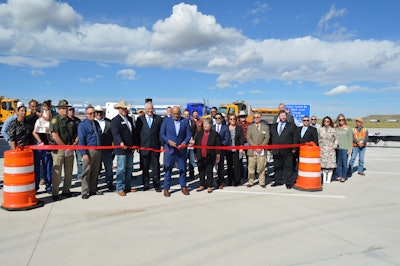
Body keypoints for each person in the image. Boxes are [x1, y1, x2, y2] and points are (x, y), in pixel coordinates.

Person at [160, 105, 191, 197]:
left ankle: (183, 186)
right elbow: (162, 134)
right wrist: (168, 141)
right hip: (170, 149)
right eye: (174, 114)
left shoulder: (185, 121)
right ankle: (166, 188)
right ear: (171, 113)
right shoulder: (166, 121)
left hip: (181, 149)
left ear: (180, 113)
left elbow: (189, 134)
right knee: (168, 168)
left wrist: (185, 142)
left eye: (177, 114)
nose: (176, 115)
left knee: (182, 168)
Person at [50, 99, 78, 201]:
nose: (65, 110)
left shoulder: (71, 121)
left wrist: (75, 143)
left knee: (69, 171)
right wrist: (64, 146)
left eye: (66, 108)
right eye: (62, 108)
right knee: (57, 172)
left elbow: (76, 134)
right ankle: (55, 193)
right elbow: (54, 135)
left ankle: (66, 190)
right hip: (59, 150)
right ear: (59, 109)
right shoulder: (55, 120)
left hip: (70, 149)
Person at [111, 100, 137, 196]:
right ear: (119, 109)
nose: (124, 110)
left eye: (125, 108)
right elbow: (116, 133)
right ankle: (120, 188)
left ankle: (128, 186)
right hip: (121, 149)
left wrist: (134, 144)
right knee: (121, 169)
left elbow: (132, 132)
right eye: (122, 108)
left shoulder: (129, 119)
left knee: (129, 168)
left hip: (130, 148)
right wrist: (121, 143)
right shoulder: (115, 120)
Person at [136, 101, 163, 192]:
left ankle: (157, 184)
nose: (150, 110)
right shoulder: (140, 119)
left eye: (151, 108)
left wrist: (162, 144)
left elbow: (161, 133)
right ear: (145, 110)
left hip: (155, 147)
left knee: (155, 167)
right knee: (145, 167)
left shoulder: (158, 119)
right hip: (144, 147)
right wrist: (137, 145)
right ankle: (146, 184)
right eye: (148, 109)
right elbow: (137, 133)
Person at [78, 106, 103, 199]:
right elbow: (81, 140)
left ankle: (93, 189)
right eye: (90, 113)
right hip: (89, 151)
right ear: (86, 114)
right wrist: (84, 153)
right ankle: (85, 191)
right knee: (86, 172)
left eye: (94, 113)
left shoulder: (96, 123)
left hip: (98, 150)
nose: (92, 115)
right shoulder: (82, 125)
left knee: (95, 171)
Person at [270, 110, 299, 189]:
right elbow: (271, 137)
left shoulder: (291, 126)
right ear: (279, 116)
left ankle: (288, 182)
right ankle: (278, 181)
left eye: (284, 115)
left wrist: (294, 148)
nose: (283, 117)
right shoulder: (273, 126)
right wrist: (270, 147)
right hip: (276, 150)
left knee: (288, 167)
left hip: (288, 151)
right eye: (281, 115)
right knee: (277, 166)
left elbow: (295, 137)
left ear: (286, 116)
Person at [194, 118, 221, 193]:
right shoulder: (199, 133)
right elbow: (196, 144)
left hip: (210, 155)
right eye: (204, 124)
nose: (205, 125)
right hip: (200, 155)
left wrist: (218, 155)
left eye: (207, 124)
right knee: (201, 170)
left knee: (209, 171)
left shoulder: (215, 134)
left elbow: (218, 146)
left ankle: (209, 186)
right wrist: (195, 153)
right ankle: (202, 185)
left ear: (211, 125)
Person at [32, 102, 53, 193]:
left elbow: (47, 132)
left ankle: (48, 186)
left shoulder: (47, 115)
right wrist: (40, 142)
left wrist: (48, 142)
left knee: (47, 167)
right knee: (36, 168)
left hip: (46, 146)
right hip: (38, 146)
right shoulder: (36, 120)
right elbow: (34, 132)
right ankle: (36, 186)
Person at [246, 112, 270, 188]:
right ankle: (250, 181)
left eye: (257, 117)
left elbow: (267, 138)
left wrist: (261, 147)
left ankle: (262, 182)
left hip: (262, 150)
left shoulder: (265, 127)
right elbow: (248, 137)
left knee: (262, 166)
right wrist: (255, 147)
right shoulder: (250, 127)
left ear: (260, 118)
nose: (256, 119)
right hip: (252, 150)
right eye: (254, 117)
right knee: (251, 167)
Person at [94, 104, 114, 191]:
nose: (98, 114)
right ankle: (94, 185)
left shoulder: (109, 122)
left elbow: (113, 136)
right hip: (95, 150)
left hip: (107, 149)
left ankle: (109, 183)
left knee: (109, 168)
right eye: (97, 112)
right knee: (95, 169)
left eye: (100, 112)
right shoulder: (92, 123)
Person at [225, 114, 244, 186]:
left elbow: (241, 139)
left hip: (236, 150)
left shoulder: (239, 128)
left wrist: (241, 148)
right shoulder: (226, 128)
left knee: (236, 166)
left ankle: (237, 181)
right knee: (229, 166)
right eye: (231, 119)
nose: (232, 120)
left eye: (234, 119)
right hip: (228, 150)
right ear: (228, 120)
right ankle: (230, 181)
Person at [318, 116, 338, 184]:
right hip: (323, 149)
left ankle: (329, 178)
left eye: (328, 121)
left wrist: (334, 146)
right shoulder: (320, 129)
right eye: (325, 121)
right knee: (323, 165)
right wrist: (318, 146)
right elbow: (318, 138)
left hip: (330, 149)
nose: (326, 122)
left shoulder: (333, 130)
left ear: (330, 122)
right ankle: (324, 178)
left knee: (330, 165)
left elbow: (336, 138)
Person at [212, 112, 230, 189]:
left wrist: (219, 145)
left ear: (222, 119)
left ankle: (220, 182)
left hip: (221, 150)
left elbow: (227, 139)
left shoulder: (225, 127)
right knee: (211, 166)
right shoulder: (212, 127)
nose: (218, 119)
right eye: (216, 118)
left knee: (220, 166)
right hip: (212, 150)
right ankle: (210, 182)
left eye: (219, 118)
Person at [334, 114, 353, 182]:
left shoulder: (348, 128)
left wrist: (350, 148)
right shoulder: (336, 128)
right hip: (338, 148)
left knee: (344, 163)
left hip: (345, 148)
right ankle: (339, 175)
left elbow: (350, 139)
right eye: (340, 120)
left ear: (344, 120)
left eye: (342, 119)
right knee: (338, 163)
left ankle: (344, 176)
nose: (341, 121)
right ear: (338, 121)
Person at [68, 107, 82, 180]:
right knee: (68, 161)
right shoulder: (65, 120)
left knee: (80, 160)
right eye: (69, 110)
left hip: (77, 142)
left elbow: (81, 131)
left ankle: (80, 175)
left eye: (72, 110)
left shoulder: (78, 121)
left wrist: (76, 140)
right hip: (68, 143)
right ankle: (68, 177)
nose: (71, 112)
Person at [237, 110, 251, 180]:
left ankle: (248, 173)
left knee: (249, 159)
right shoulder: (237, 124)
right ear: (239, 117)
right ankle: (241, 173)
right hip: (240, 144)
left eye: (244, 116)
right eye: (241, 116)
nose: (243, 117)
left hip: (248, 143)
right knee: (240, 159)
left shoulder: (249, 124)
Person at [183, 109, 196, 181]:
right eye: (185, 114)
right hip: (184, 145)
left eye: (187, 114)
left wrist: (194, 140)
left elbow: (196, 132)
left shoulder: (193, 122)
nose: (186, 116)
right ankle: (184, 175)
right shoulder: (181, 122)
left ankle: (192, 175)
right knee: (183, 161)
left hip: (191, 145)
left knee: (192, 161)